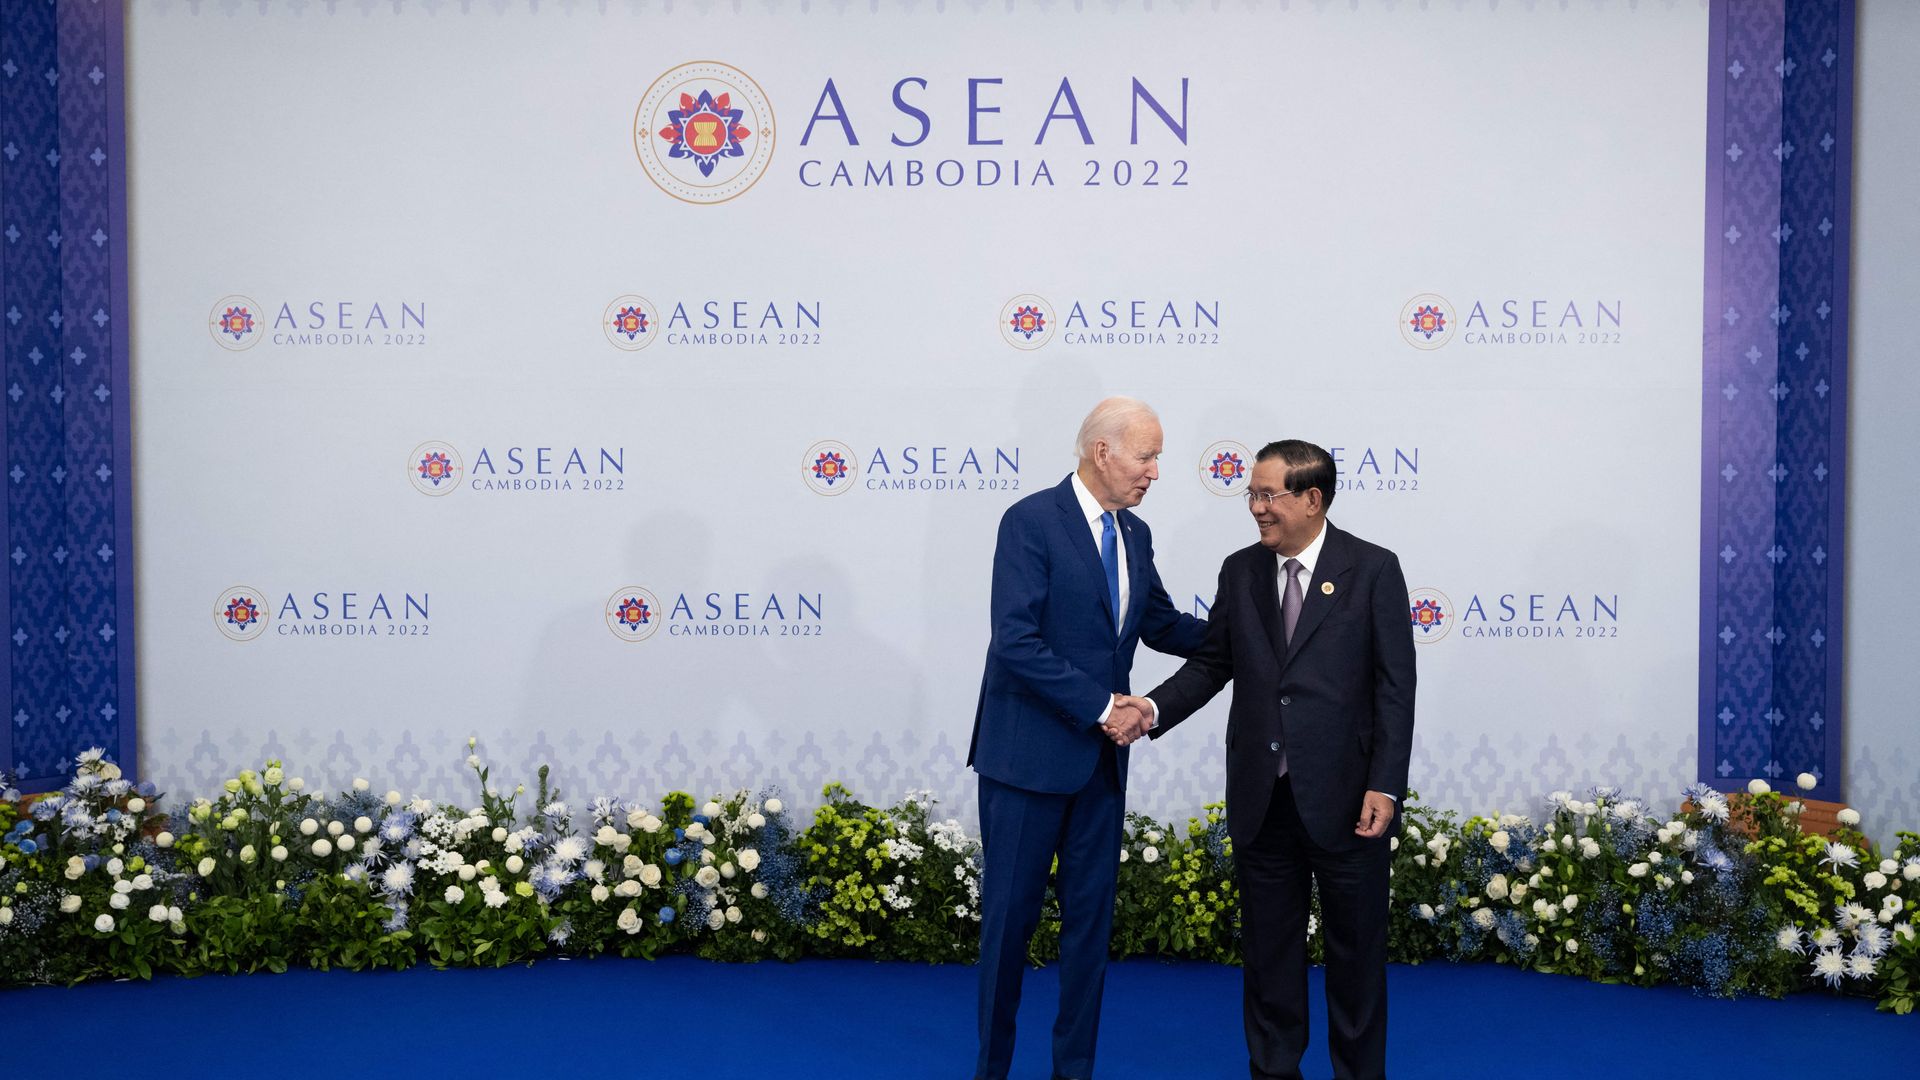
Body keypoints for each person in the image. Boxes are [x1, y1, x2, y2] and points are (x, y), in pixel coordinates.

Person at [1131, 439, 1415, 1080]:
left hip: (1348, 801)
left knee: (1356, 959)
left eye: (1268, 495)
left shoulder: (1373, 569)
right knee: (1269, 958)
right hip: (1263, 799)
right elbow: (1212, 664)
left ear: (1312, 499)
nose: (1256, 508)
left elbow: (1395, 688)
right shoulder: (1241, 570)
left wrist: (1387, 785)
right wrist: (1149, 710)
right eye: (1251, 495)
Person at [969, 397, 1208, 1080]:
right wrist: (1104, 706)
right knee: (1008, 929)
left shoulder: (1134, 534)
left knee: (1089, 935)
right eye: (1147, 455)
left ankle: (1073, 1071)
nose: (1157, 472)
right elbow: (1015, 640)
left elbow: (1160, 624)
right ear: (1102, 451)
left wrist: (1247, 630)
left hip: (1100, 769)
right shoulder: (1030, 522)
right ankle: (992, 1069)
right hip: (1024, 762)